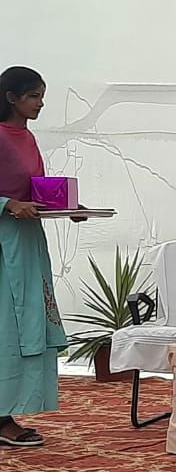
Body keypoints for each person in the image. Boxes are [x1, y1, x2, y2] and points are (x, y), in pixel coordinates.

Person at [0, 67, 75, 447]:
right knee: (6, 325)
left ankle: (8, 409)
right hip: (4, 243)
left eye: (42, 95)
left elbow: (35, 189)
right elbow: (13, 197)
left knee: (26, 321)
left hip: (27, 241)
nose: (41, 103)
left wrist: (69, 207)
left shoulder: (26, 137)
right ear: (11, 97)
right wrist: (8, 204)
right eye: (33, 95)